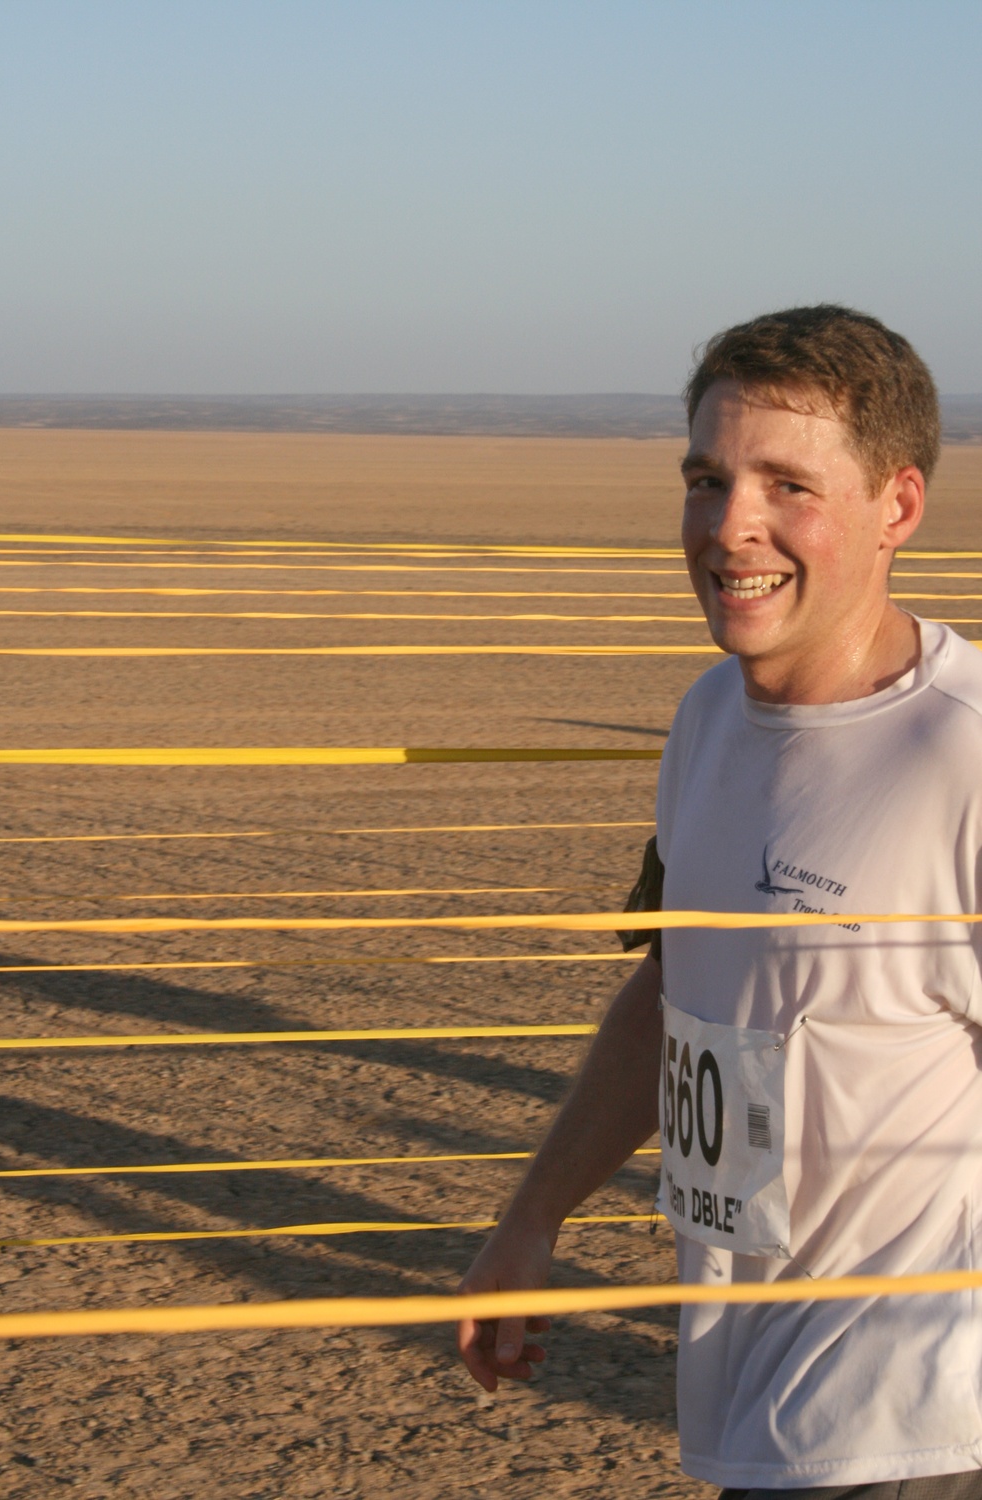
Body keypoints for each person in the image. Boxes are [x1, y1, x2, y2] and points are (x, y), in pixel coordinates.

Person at [457, 305, 982, 1495]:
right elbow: (671, 989)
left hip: (912, 1429)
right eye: (707, 477)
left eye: (786, 484)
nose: (729, 524)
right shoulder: (704, 721)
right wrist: (535, 1217)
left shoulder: (962, 760)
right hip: (740, 1401)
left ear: (896, 508)